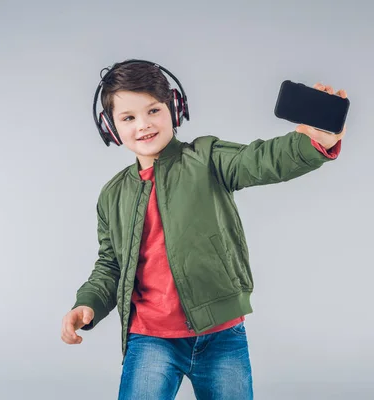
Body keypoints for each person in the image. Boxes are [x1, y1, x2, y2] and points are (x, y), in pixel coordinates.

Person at [60, 59, 348, 399]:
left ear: (174, 108)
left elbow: (260, 160)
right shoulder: (112, 195)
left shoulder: (207, 157)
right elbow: (110, 265)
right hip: (150, 339)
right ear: (111, 127)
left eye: (153, 110)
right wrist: (88, 303)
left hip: (221, 336)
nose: (144, 125)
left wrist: (311, 141)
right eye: (128, 118)